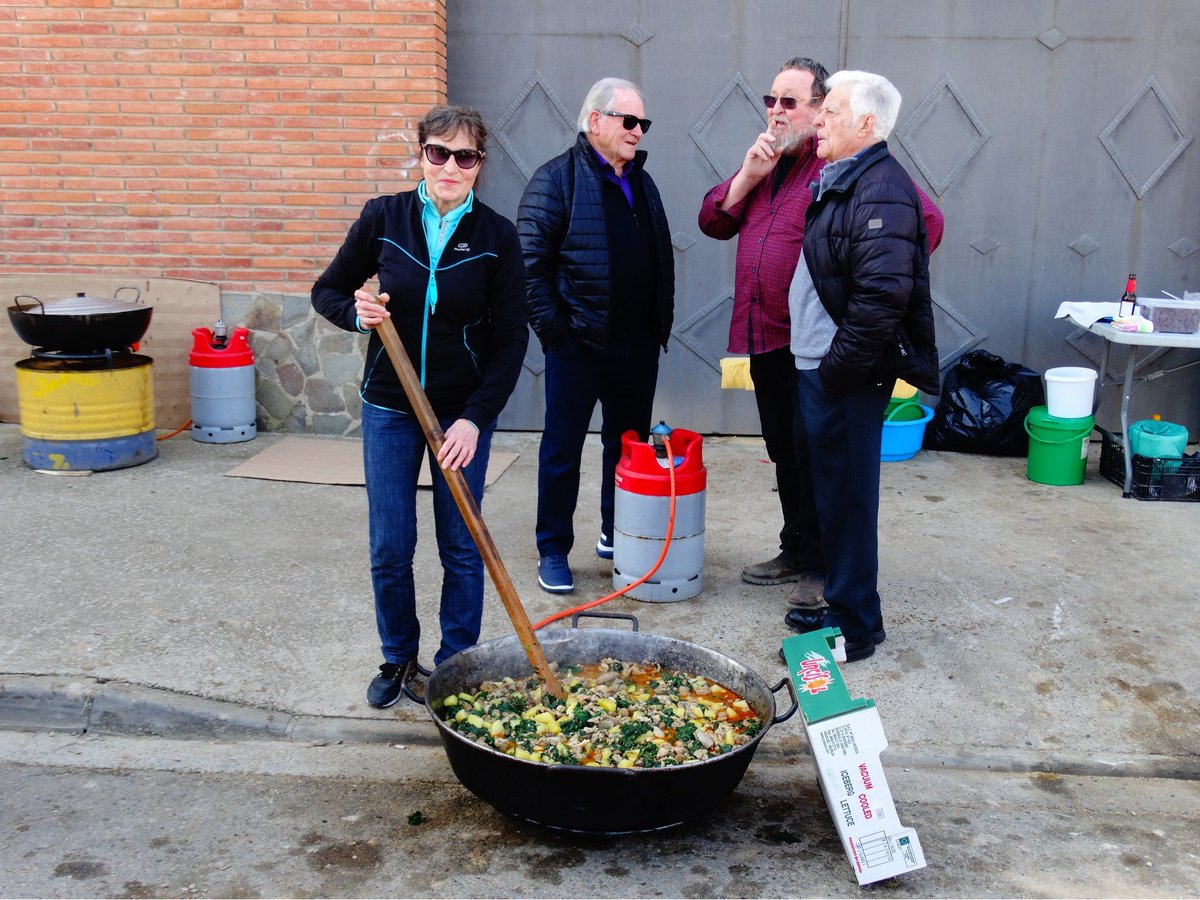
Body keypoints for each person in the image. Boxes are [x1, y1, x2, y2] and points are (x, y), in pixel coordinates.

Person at [698, 58, 943, 609]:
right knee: (785, 451)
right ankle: (796, 547)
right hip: (764, 332)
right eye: (771, 100)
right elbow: (712, 221)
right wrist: (747, 175)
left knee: (817, 456)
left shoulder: (839, 163)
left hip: (813, 338)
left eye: (792, 102)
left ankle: (820, 565)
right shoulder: (767, 163)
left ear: (821, 109)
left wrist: (863, 293)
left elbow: (925, 221)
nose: (776, 111)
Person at [312, 105, 529, 707]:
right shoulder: (384, 218)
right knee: (390, 543)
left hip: (460, 414)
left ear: (480, 166)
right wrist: (355, 314)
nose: (450, 167)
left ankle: (455, 664)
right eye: (439, 152)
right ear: (422, 154)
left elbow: (512, 338)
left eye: (465, 157)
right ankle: (397, 657)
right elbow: (326, 290)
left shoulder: (496, 237)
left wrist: (475, 418)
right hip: (389, 405)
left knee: (461, 543)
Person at [781, 71, 940, 662]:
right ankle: (844, 611)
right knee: (831, 497)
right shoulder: (848, 179)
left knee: (848, 501)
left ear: (866, 124)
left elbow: (882, 299)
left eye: (832, 111)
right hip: (821, 368)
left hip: (842, 375)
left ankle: (856, 630)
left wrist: (835, 372)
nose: (818, 120)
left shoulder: (882, 189)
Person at [518, 77, 674, 594]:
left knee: (626, 447)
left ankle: (615, 530)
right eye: (629, 121)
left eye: (643, 123)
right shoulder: (554, 181)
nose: (637, 131)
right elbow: (529, 269)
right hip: (578, 346)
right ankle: (553, 549)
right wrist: (557, 337)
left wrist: (656, 325)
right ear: (596, 121)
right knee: (562, 450)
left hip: (636, 346)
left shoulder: (641, 181)